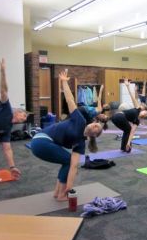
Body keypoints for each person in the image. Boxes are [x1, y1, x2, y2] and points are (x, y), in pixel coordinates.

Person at [30, 70, 103, 201]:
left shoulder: (80, 143)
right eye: (96, 123)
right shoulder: (79, 120)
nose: (95, 124)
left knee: (67, 162)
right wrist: (64, 82)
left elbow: (74, 166)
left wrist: (70, 186)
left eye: (97, 127)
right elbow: (70, 100)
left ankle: (58, 192)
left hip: (41, 145)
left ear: (93, 135)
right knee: (67, 160)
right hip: (41, 141)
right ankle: (61, 194)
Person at [111, 79, 147, 153]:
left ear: (143, 117)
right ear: (142, 110)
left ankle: (124, 147)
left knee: (127, 130)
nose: (144, 113)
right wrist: (127, 86)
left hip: (115, 118)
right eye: (145, 112)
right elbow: (132, 97)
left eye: (145, 115)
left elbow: (132, 133)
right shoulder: (138, 108)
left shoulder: (137, 122)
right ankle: (125, 147)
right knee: (128, 129)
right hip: (118, 116)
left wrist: (128, 143)